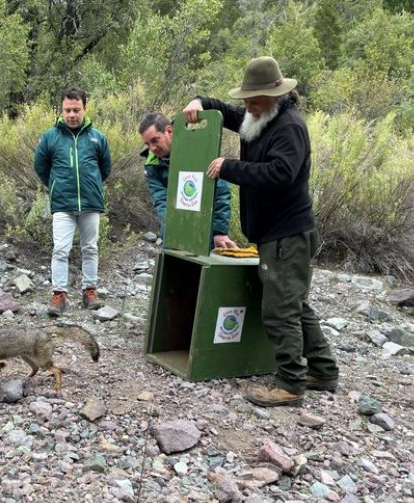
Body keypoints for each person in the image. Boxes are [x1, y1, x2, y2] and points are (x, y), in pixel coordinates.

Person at [182, 56, 339, 407]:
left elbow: (281, 173)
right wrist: (201, 102)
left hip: (287, 234)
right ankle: (324, 371)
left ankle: (290, 384)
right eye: (246, 101)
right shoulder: (259, 118)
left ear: (275, 97)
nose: (247, 107)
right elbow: (227, 113)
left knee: (280, 310)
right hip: (275, 233)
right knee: (294, 304)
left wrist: (230, 168)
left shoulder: (289, 127)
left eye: (254, 101)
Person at [34, 87, 112, 317]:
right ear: (61, 109)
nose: (71, 115)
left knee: (90, 248)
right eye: (67, 110)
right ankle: (59, 295)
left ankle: (89, 293)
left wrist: (93, 184)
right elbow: (40, 166)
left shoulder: (98, 137)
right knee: (60, 250)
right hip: (62, 204)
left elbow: (105, 168)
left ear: (84, 109)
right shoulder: (51, 136)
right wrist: (56, 185)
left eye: (76, 110)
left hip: (90, 203)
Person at [138, 112, 236, 249]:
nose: (152, 148)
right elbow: (161, 201)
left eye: (155, 140)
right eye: (147, 144)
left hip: (204, 232)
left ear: (169, 131)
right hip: (173, 233)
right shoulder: (152, 165)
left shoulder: (199, 150)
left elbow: (220, 191)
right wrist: (175, 230)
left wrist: (219, 232)